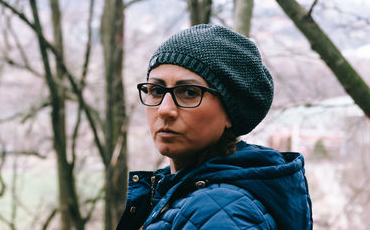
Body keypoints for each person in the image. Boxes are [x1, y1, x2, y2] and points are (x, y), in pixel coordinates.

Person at [117, 24, 313, 229]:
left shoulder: (224, 212)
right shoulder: (174, 193)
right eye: (156, 90)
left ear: (230, 111)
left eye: (190, 92)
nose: (165, 110)